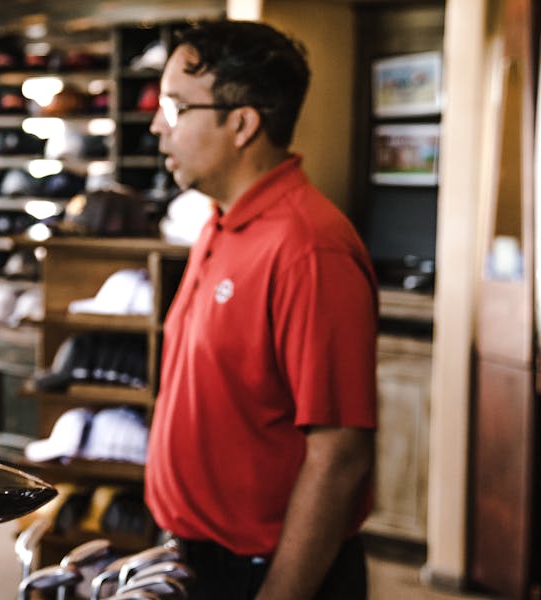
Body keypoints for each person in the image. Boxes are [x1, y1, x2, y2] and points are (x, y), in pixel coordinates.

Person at [144, 20, 377, 600]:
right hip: (193, 555)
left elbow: (340, 456)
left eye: (174, 107)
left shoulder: (309, 247)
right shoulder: (219, 222)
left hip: (263, 572)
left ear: (243, 123)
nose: (156, 125)